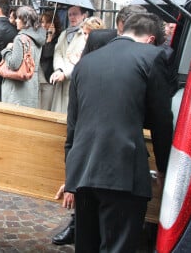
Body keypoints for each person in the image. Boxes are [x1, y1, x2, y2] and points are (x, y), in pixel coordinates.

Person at [59, 13, 173, 252]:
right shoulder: (153, 56)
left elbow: (73, 124)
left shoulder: (86, 62)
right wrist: (164, 168)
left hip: (83, 169)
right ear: (151, 39)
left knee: (86, 245)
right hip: (122, 169)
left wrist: (71, 174)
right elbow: (162, 120)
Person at [0, 6, 46, 108]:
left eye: (18, 18)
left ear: (25, 21)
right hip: (32, 85)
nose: (16, 20)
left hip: (17, 89)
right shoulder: (38, 38)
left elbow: (14, 64)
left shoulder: (20, 38)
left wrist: (6, 50)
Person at [49, 5, 90, 113]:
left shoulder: (85, 35)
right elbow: (58, 53)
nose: (72, 17)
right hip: (61, 79)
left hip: (74, 80)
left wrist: (65, 74)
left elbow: (81, 58)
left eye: (75, 14)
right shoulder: (64, 34)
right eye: (70, 14)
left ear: (84, 16)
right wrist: (59, 70)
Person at [82, 4, 146, 57]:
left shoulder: (149, 53)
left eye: (129, 35)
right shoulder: (98, 40)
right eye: (121, 33)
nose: (124, 39)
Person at [38, 11, 62, 111]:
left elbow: (46, 54)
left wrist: (50, 38)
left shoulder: (59, 38)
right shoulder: (39, 36)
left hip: (48, 77)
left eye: (47, 22)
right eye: (42, 22)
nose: (44, 25)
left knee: (45, 106)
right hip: (38, 77)